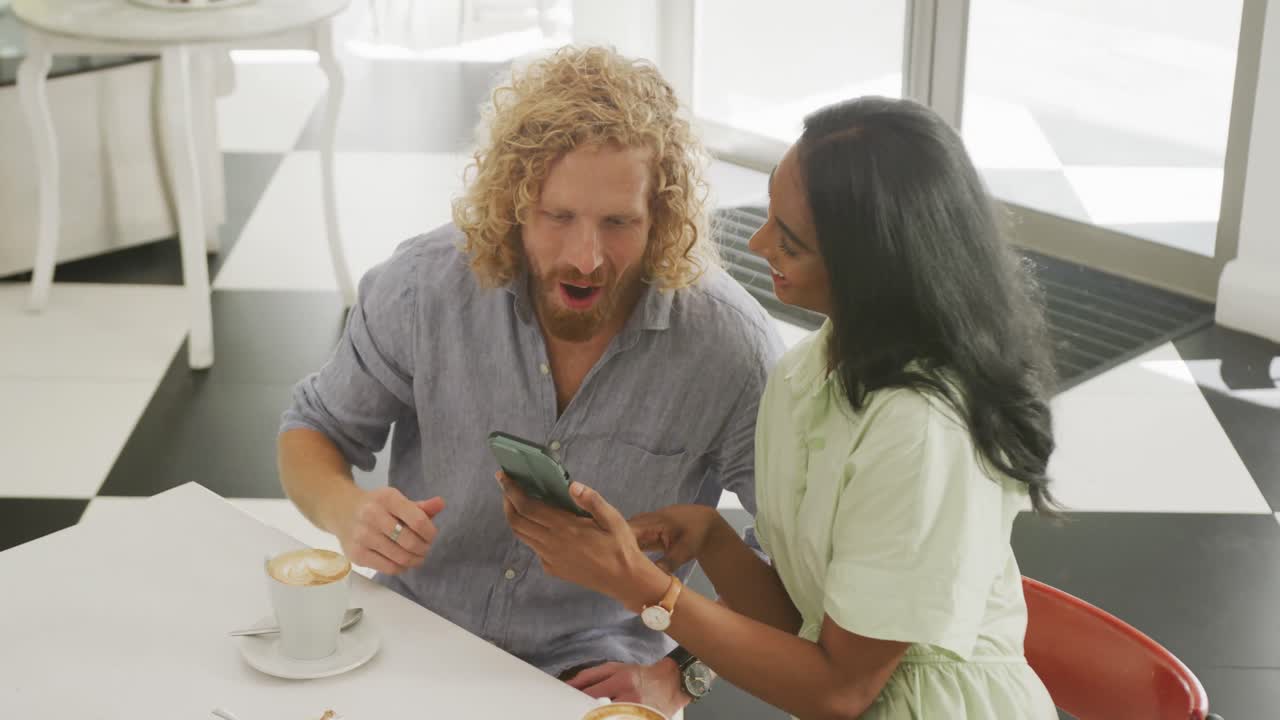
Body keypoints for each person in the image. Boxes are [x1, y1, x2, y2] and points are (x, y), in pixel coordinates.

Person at [500, 95, 1060, 719]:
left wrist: (641, 586)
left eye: (790, 242)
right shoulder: (809, 370)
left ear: (867, 265)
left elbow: (838, 692)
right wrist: (713, 540)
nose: (761, 242)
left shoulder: (921, 430)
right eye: (770, 212)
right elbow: (805, 629)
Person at [277, 46, 783, 716]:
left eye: (618, 223)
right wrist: (348, 513)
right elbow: (313, 429)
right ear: (513, 203)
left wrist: (680, 673)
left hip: (600, 676)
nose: (585, 258)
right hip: (415, 634)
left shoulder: (731, 349)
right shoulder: (423, 286)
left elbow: (790, 562)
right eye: (558, 216)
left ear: (661, 217)